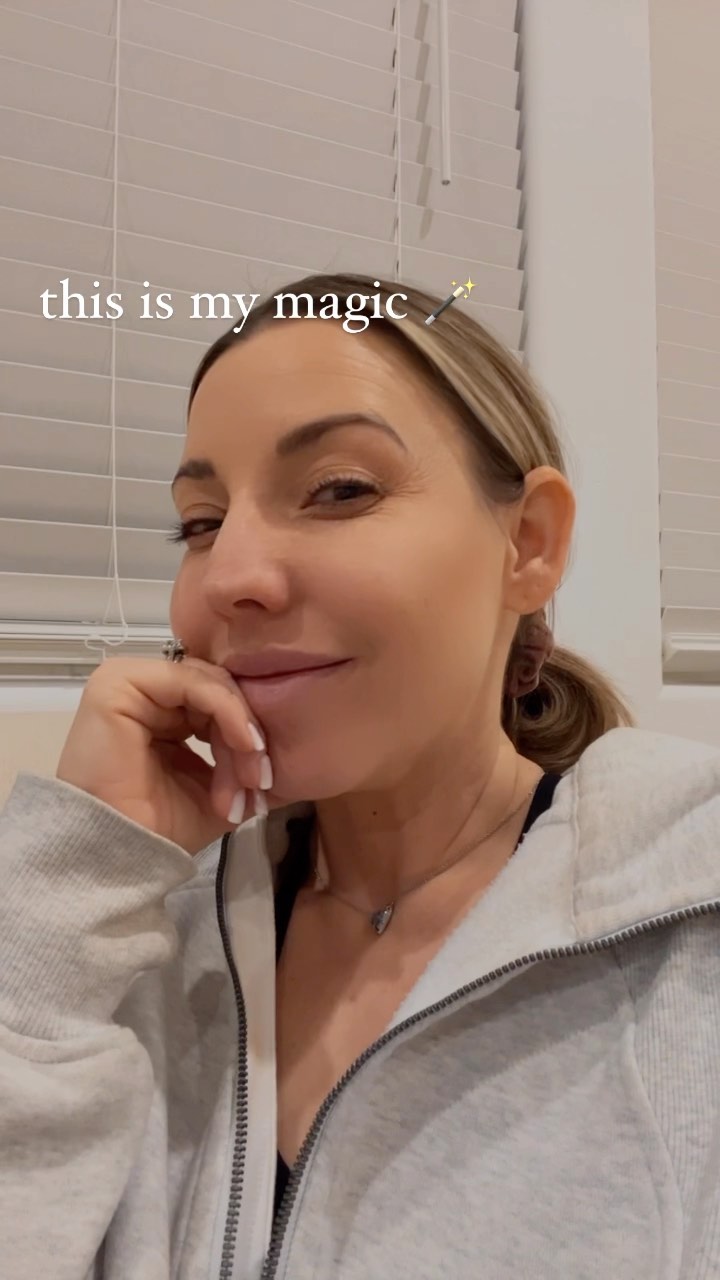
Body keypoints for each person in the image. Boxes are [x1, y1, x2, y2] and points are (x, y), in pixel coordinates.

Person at [1, 272, 719, 1280]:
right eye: (200, 522)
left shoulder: (686, 947)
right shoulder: (132, 942)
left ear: (529, 542)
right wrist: (69, 889)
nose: (230, 576)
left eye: (341, 489)